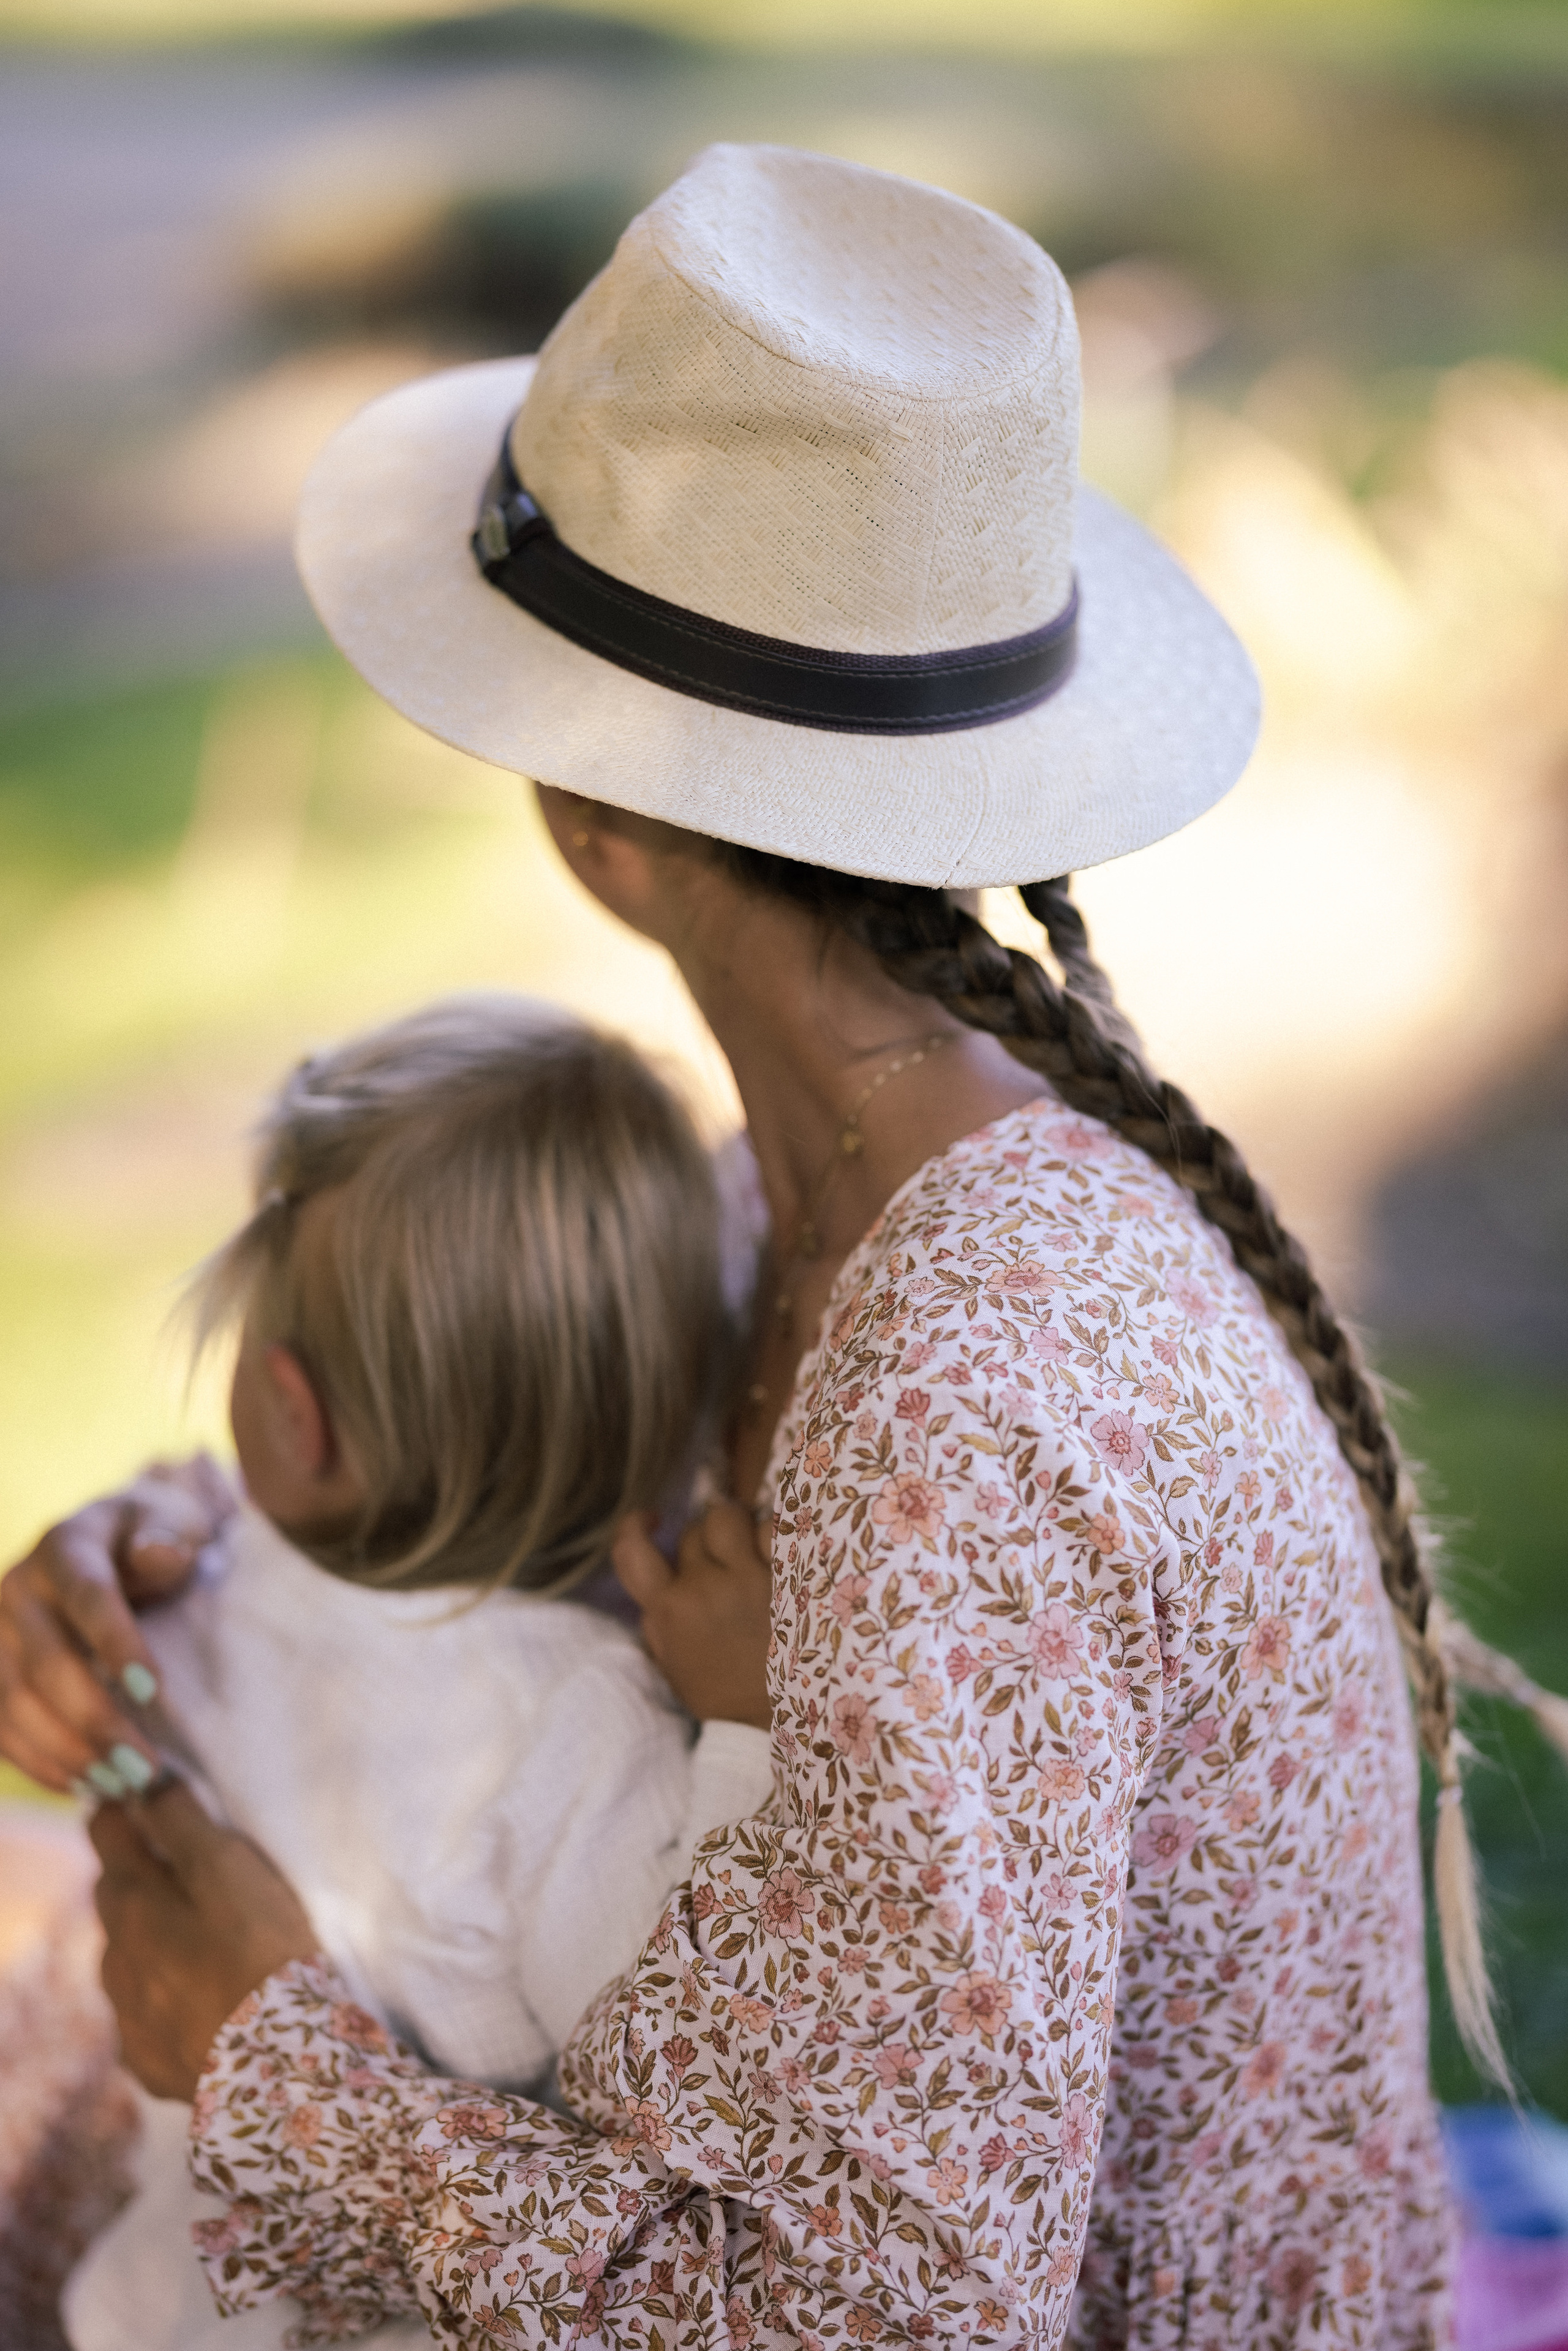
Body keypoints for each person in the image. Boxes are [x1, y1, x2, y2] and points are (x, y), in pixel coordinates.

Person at [6, 142, 1567, 2349]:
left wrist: (276, 2061)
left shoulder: (966, 1398)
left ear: (590, 812)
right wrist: (175, 1556)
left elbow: (883, 2320)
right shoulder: (795, 1198)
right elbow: (499, 1499)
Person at [57, 994, 775, 2351]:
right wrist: (744, 1727)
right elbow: (690, 2040)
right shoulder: (572, 1723)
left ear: (291, 1412)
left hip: (174, 2303)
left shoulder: (202, 1586)